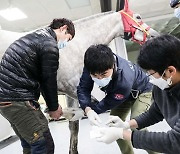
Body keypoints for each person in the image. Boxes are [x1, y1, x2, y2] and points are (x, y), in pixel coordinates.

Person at [95, 34, 180, 154]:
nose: (150, 78)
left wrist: (122, 134)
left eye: (151, 73)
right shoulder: (163, 86)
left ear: (170, 71)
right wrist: (126, 124)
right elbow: (155, 112)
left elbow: (174, 142)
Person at [0, 18, 75, 154]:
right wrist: (53, 108)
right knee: (43, 144)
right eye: (67, 39)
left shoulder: (35, 37)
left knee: (29, 142)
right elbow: (48, 79)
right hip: (18, 99)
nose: (65, 43)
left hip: (5, 101)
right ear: (63, 28)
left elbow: (41, 78)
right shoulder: (49, 44)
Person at [77, 44, 157, 154]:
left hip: (142, 90)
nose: (99, 78)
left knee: (136, 124)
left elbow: (108, 102)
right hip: (119, 93)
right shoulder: (91, 65)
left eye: (104, 74)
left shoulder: (124, 79)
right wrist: (87, 109)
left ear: (112, 65)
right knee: (114, 125)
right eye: (95, 76)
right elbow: (83, 88)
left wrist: (90, 111)